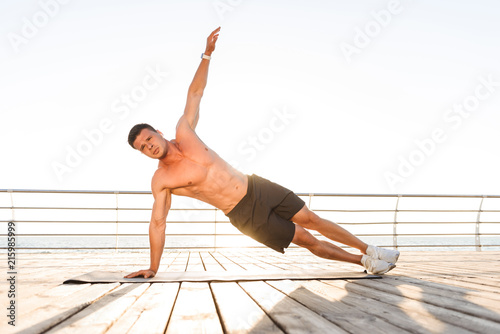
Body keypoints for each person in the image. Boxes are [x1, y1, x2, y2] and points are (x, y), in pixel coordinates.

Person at [124, 27, 399, 279]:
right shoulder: (162, 180)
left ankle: (371, 250)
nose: (149, 146)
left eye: (149, 138)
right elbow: (158, 223)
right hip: (243, 213)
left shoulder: (185, 131)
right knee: (305, 238)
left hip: (255, 185)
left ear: (158, 132)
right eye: (143, 148)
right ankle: (363, 262)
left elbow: (195, 93)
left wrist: (207, 54)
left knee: (312, 219)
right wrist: (153, 267)